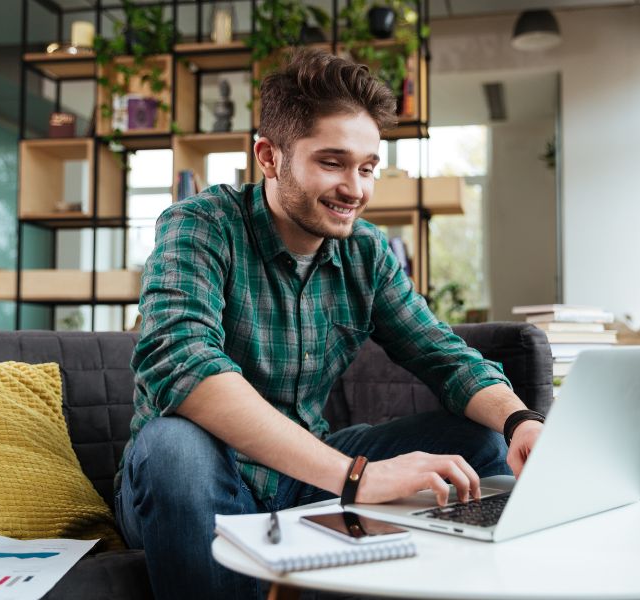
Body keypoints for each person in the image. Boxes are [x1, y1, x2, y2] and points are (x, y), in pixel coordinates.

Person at [115, 49, 544, 600]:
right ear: (269, 157)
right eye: (333, 162)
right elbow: (184, 364)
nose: (356, 189)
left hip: (305, 477)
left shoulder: (367, 252)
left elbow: (442, 353)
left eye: (367, 167)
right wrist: (357, 478)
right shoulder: (199, 225)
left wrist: (520, 421)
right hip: (197, 478)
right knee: (174, 445)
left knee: (478, 439)